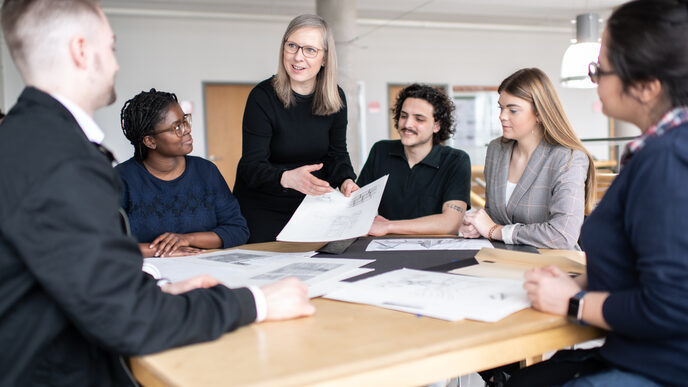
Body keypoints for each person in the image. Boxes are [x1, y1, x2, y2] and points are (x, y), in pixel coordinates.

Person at [0, 1, 313, 385]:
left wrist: (150, 289)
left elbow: (76, 274)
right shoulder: (62, 161)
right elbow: (125, 317)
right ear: (81, 50)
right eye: (111, 47)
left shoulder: (24, 140)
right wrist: (257, 302)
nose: (115, 64)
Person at [508, 1, 688, 386]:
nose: (594, 81)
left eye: (600, 70)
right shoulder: (658, 150)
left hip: (658, 367)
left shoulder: (668, 159)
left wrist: (573, 302)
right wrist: (586, 281)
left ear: (645, 87)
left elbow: (672, 304)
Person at [233, 14, 358, 243]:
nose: (298, 56)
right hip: (263, 210)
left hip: (311, 208)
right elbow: (251, 167)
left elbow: (336, 154)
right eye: (292, 45)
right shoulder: (262, 97)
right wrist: (287, 178)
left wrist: (346, 180)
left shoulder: (335, 97)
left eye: (310, 49)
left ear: (325, 59)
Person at [460, 68, 595, 249]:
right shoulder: (496, 150)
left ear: (539, 113)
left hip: (551, 266)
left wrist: (495, 231)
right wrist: (477, 225)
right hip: (501, 260)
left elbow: (563, 235)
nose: (502, 116)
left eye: (512, 110)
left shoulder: (568, 158)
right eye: (501, 108)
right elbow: (496, 214)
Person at [117, 89, 249, 257]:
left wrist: (186, 239)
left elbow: (238, 230)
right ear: (150, 141)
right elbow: (105, 243)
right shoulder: (121, 179)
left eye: (185, 121)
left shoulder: (206, 171)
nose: (187, 129)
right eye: (177, 127)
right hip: (149, 275)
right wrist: (162, 250)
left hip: (205, 270)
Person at [357, 84, 471, 235]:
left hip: (435, 250)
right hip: (384, 247)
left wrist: (388, 226)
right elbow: (358, 207)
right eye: (404, 116)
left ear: (437, 125)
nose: (407, 124)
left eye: (419, 119)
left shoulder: (456, 161)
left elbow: (450, 223)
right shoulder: (381, 151)